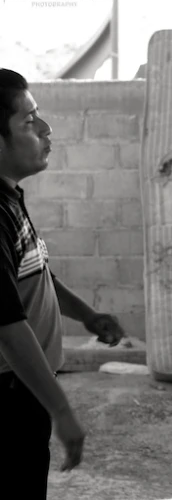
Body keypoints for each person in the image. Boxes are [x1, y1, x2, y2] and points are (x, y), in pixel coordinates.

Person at [0, 68, 126, 498]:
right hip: (10, 396)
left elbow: (36, 274)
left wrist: (87, 315)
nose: (46, 130)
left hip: (24, 390)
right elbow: (7, 323)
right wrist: (61, 408)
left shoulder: (9, 197)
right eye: (30, 122)